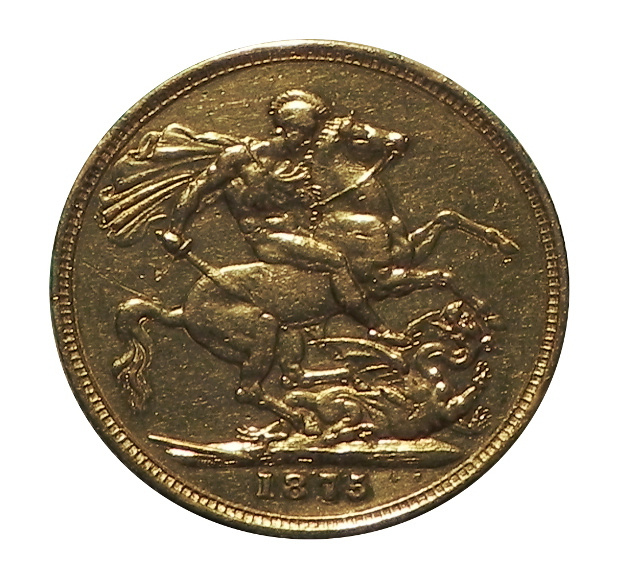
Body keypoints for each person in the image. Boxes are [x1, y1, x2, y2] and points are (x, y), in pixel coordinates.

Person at [161, 89, 406, 345]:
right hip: (267, 237)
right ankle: (376, 327)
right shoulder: (240, 159)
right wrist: (174, 230)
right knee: (335, 260)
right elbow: (198, 188)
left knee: (364, 239)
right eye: (302, 133)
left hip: (302, 229)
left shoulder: (302, 160)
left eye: (310, 134)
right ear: (282, 129)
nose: (307, 140)